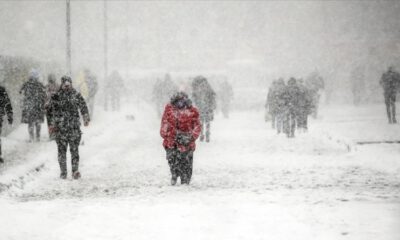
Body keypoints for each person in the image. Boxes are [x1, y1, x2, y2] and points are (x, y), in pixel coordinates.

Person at [48, 76, 90, 179]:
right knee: (62, 152)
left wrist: (85, 117)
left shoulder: (76, 95)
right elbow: (51, 112)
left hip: (74, 128)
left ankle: (75, 171)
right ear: (62, 85)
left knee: (74, 151)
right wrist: (52, 125)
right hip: (60, 129)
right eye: (65, 84)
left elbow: (83, 106)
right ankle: (63, 172)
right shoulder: (56, 97)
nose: (67, 86)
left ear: (71, 84)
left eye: (68, 84)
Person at [160, 91, 201, 185]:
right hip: (172, 142)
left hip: (187, 143)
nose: (180, 103)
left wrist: (190, 137)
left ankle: (185, 179)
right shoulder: (169, 110)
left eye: (182, 101)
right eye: (178, 101)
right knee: (172, 160)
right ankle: (174, 173)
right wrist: (171, 135)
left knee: (187, 163)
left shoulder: (193, 111)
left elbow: (197, 126)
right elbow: (164, 126)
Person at [19, 70, 46, 142]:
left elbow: (20, 91)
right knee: (38, 122)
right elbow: (44, 94)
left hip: (29, 106)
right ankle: (38, 137)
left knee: (31, 122)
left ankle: (31, 137)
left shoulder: (27, 84)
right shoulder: (40, 84)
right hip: (38, 106)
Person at [191, 76, 216, 142]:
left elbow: (194, 97)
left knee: (201, 121)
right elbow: (213, 95)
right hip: (207, 107)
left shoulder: (197, 88)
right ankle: (207, 134)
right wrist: (212, 105)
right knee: (207, 121)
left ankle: (202, 134)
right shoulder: (208, 87)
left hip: (200, 107)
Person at [0, 85, 13, 163]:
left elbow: (7, 103)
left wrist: (9, 115)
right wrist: (9, 114)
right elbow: (7, 103)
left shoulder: (1, 90)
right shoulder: (2, 90)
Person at [44, 74, 59, 140]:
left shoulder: (46, 87)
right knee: (56, 120)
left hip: (49, 107)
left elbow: (44, 97)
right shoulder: (58, 86)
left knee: (49, 122)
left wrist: (45, 104)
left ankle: (51, 134)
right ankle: (56, 134)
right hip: (56, 106)